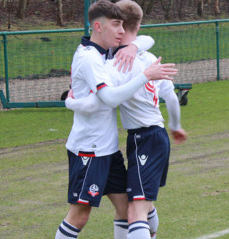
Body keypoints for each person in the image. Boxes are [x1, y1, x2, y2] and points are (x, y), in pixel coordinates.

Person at [55, 1, 178, 238]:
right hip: (88, 149)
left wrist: (132, 48)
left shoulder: (107, 53)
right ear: (99, 27)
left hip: (108, 150)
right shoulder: (90, 59)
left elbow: (146, 38)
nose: (122, 31)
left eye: (124, 25)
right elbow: (108, 99)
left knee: (127, 209)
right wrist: (145, 75)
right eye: (116, 25)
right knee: (79, 216)